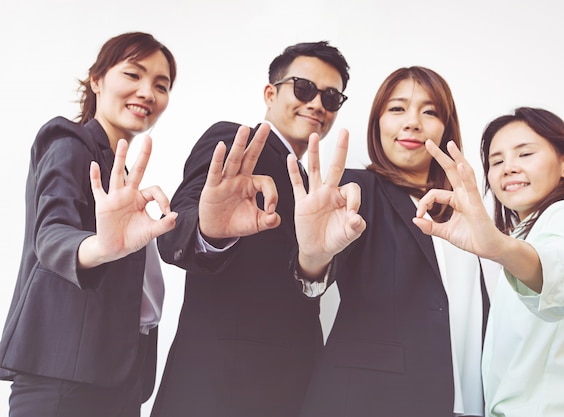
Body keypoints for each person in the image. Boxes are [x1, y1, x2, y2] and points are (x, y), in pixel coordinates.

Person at [151, 41, 350, 417]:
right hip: (218, 387)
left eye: (331, 97)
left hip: (295, 385)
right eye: (303, 88)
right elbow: (177, 228)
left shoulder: (318, 187)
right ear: (270, 93)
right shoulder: (235, 141)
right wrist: (210, 232)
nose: (317, 104)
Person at [289, 66, 489, 417]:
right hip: (369, 400)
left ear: (446, 128)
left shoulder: (464, 211)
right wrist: (312, 256)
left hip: (460, 400)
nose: (412, 122)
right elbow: (312, 275)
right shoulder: (356, 190)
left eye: (429, 111)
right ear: (377, 122)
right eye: (397, 109)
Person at [0, 32, 178, 417]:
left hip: (116, 380)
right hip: (65, 383)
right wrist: (100, 247)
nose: (147, 92)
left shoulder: (121, 178)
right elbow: (51, 234)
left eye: (161, 85)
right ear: (97, 80)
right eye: (133, 74)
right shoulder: (69, 140)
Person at [413, 107, 564, 416]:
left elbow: (559, 273)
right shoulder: (526, 235)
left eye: (525, 154)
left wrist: (498, 247)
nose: (508, 168)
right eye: (497, 161)